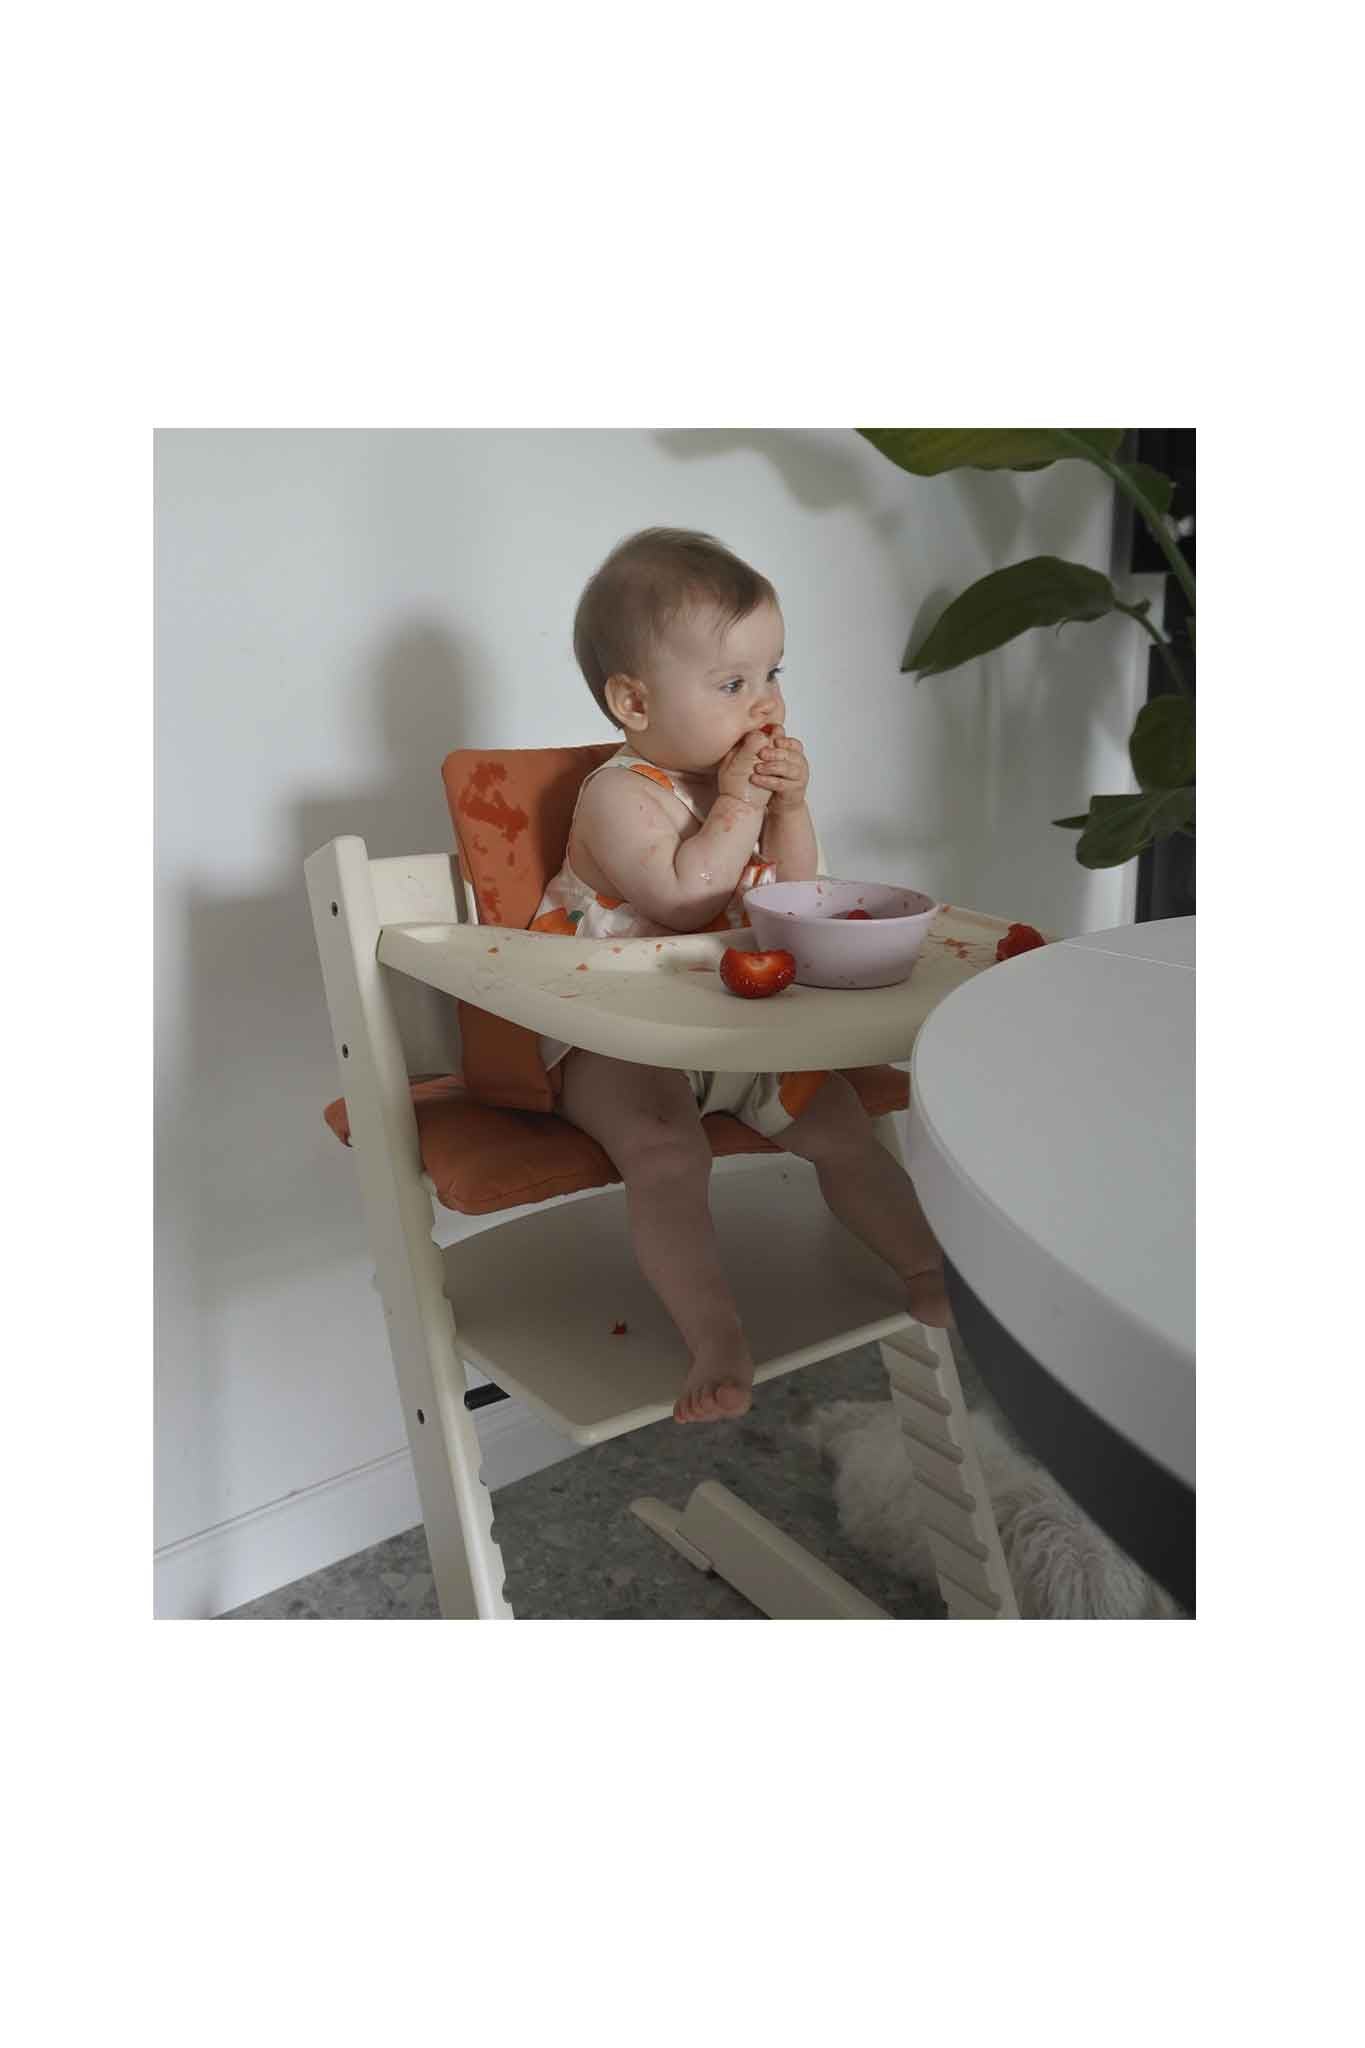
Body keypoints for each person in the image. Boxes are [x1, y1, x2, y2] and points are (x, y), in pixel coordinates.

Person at [531, 527, 949, 1425]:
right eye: (731, 684)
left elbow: (797, 897)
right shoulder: (619, 794)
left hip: (738, 1025)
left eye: (773, 673)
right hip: (623, 1034)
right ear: (633, 700)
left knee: (842, 1126)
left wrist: (788, 807)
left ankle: (923, 1266)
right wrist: (740, 801)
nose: (764, 703)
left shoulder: (735, 785)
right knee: (665, 1156)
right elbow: (684, 900)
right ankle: (715, 1337)